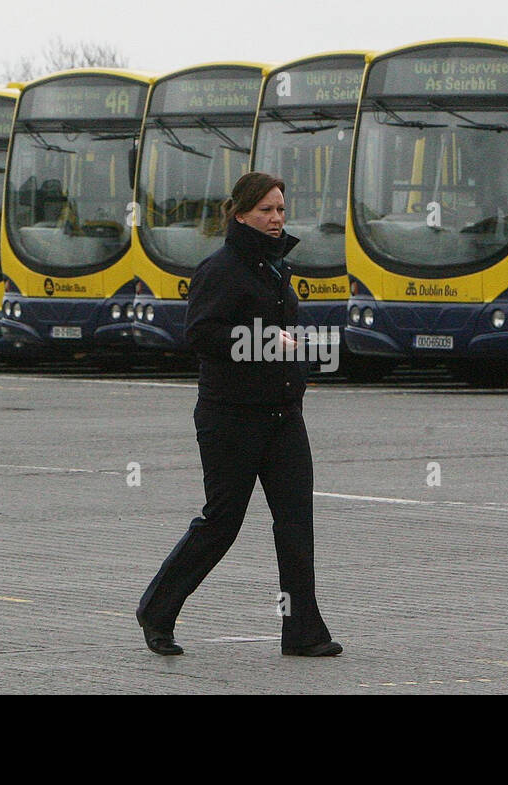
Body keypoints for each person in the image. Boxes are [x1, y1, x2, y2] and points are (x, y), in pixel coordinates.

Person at [136, 172, 341, 657]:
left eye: (282, 210)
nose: (276, 219)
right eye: (267, 210)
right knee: (221, 524)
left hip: (283, 415)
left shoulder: (275, 267)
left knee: (296, 525)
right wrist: (267, 342)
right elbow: (201, 335)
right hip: (230, 417)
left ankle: (302, 632)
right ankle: (157, 611)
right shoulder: (221, 268)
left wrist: (298, 358)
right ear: (242, 213)